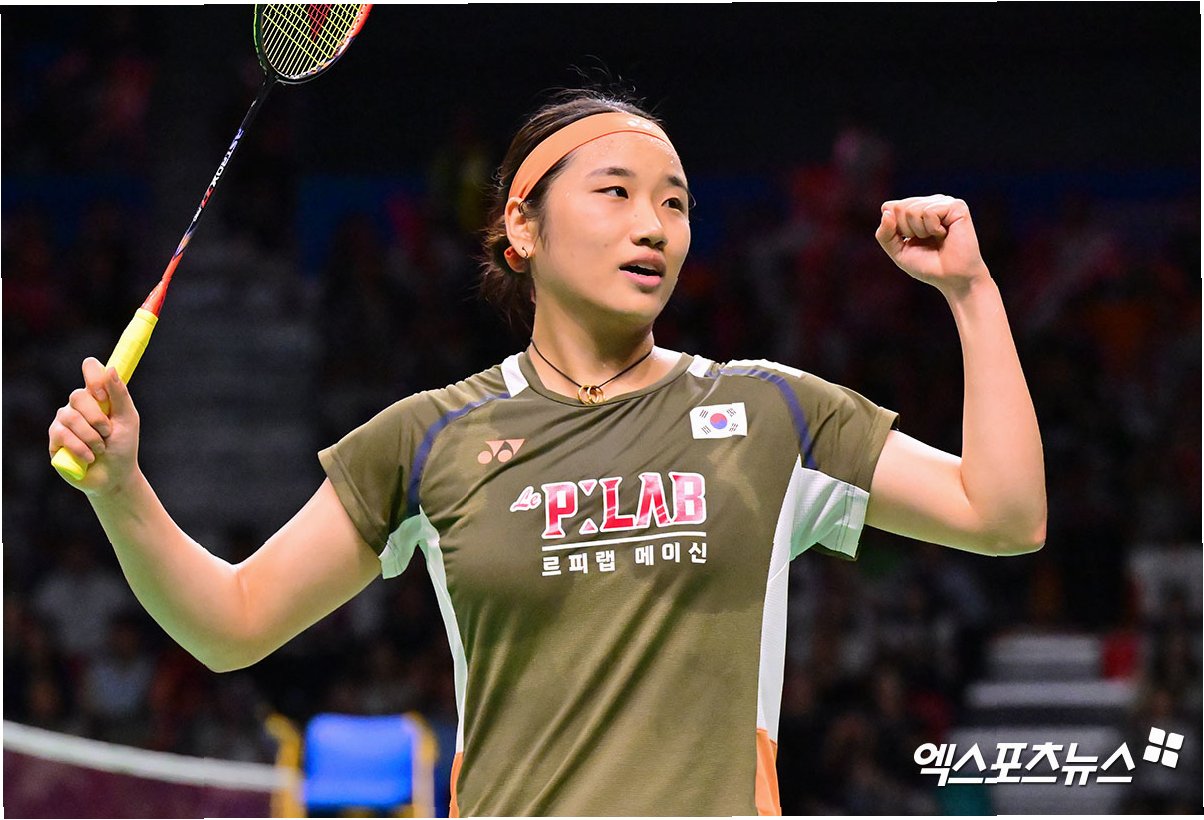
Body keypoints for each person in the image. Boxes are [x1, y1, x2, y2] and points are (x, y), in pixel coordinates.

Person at [48, 88, 1046, 816]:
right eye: (616, 192)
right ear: (521, 227)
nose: (653, 225)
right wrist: (122, 487)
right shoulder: (429, 437)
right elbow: (233, 622)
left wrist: (970, 291)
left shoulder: (771, 412)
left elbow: (1002, 514)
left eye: (675, 202)